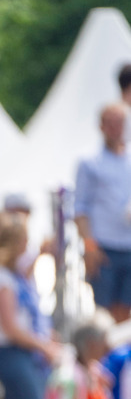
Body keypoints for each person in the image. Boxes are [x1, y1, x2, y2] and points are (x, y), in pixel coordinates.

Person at [0, 217, 61, 399]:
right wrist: (44, 346)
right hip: (11, 355)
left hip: (19, 356)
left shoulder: (11, 276)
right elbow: (10, 329)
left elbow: (25, 276)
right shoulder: (1, 278)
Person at [74, 103, 131, 323]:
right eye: (111, 123)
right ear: (102, 127)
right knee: (104, 314)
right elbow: (80, 208)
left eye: (119, 123)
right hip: (104, 248)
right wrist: (89, 246)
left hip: (128, 246)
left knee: (125, 313)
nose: (116, 129)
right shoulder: (90, 162)